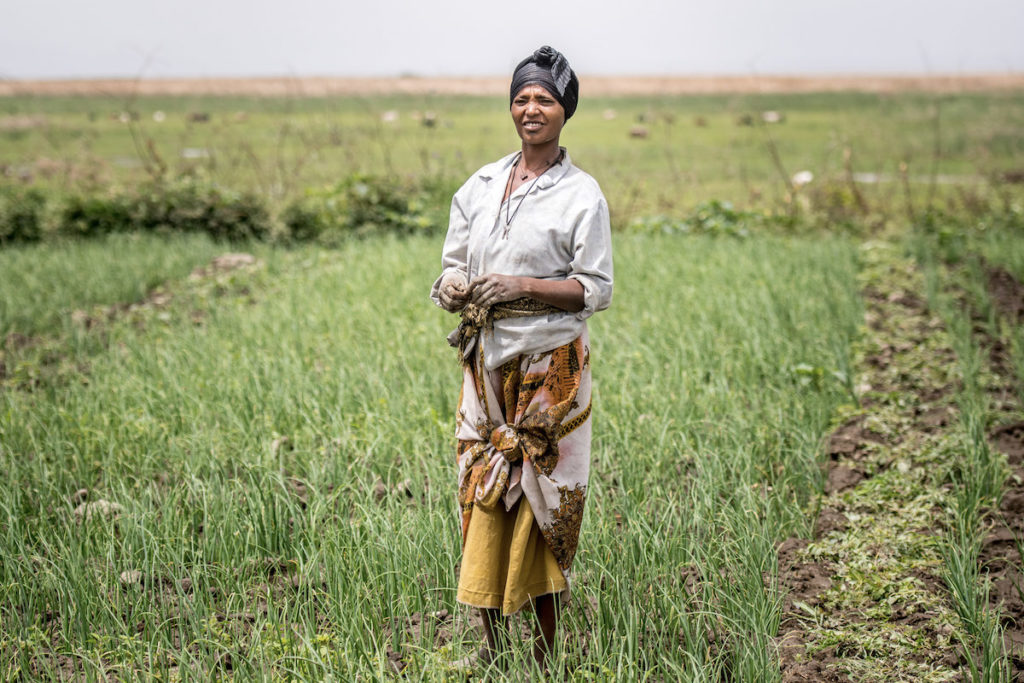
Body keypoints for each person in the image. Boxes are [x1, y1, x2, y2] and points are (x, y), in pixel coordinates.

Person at [430, 45, 613, 670]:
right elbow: (453, 267)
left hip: (549, 370)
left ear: (566, 112)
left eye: (545, 99)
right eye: (522, 97)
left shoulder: (581, 195)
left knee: (539, 501)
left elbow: (596, 287)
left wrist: (523, 287)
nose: (531, 109)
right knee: (480, 490)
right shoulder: (479, 185)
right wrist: (456, 286)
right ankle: (488, 647)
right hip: (485, 367)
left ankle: (544, 656)